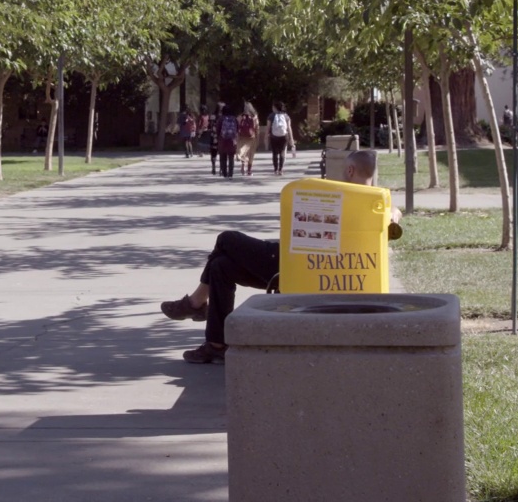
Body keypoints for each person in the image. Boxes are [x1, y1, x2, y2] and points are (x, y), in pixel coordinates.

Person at [160, 151, 391, 364]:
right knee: (221, 266)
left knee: (226, 239)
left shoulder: (343, 197)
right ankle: (216, 344)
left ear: (350, 171)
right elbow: (392, 215)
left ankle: (196, 302)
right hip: (306, 266)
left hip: (293, 268)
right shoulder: (375, 204)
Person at [268, 102, 293, 176]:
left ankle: (275, 170)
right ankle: (281, 170)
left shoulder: (271, 116)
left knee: (275, 153)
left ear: (275, 108)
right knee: (282, 152)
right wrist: (291, 138)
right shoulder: (286, 116)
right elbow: (289, 128)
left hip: (274, 137)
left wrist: (266, 137)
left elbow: (268, 128)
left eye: (273, 107)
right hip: (284, 136)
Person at [236, 102, 260, 176]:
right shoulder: (254, 117)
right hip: (252, 137)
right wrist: (257, 137)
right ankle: (249, 170)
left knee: (244, 152)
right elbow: (257, 128)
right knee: (251, 154)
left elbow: (237, 127)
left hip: (242, 136)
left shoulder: (240, 117)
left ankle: (243, 165)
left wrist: (237, 137)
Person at [216, 104, 238, 178]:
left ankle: (224, 173)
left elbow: (218, 129)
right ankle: (230, 173)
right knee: (231, 157)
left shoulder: (221, 119)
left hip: (223, 139)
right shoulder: (234, 119)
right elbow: (237, 129)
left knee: (223, 157)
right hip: (232, 140)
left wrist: (218, 137)